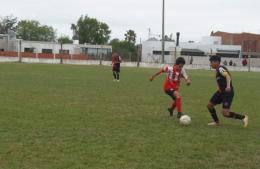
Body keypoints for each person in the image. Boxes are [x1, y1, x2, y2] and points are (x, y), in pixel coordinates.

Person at [207, 55, 248, 127]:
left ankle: (244, 118)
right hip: (220, 92)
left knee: (225, 113)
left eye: (211, 62)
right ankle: (217, 122)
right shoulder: (217, 70)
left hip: (227, 93)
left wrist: (228, 86)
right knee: (210, 105)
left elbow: (227, 76)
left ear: (216, 62)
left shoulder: (220, 68)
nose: (210, 64)